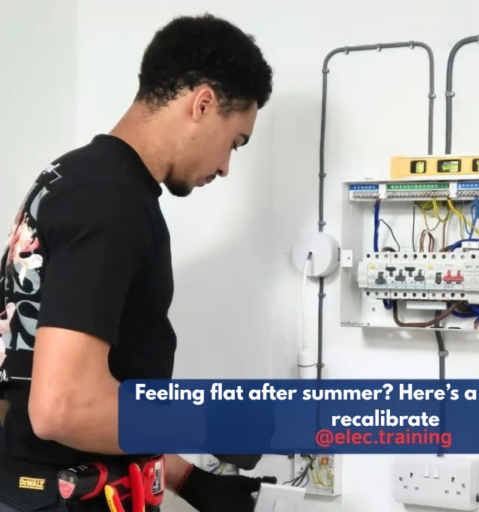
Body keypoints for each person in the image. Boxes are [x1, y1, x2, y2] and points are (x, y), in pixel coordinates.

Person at [0, 13, 275, 512]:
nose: (225, 167)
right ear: (204, 102)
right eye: (234, 142)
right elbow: (63, 408)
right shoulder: (111, 200)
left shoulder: (73, 179)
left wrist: (185, 477)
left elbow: (38, 384)